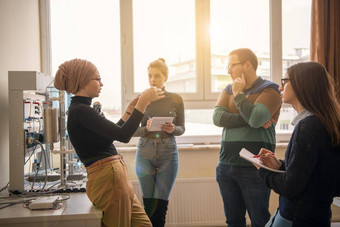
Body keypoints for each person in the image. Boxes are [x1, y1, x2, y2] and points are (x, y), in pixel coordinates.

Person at [54, 58, 165, 227]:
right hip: (108, 178)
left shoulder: (82, 110)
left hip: (114, 176)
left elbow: (111, 135)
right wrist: (142, 104)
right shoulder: (81, 111)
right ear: (83, 81)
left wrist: (130, 110)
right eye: (97, 79)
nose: (101, 83)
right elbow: (124, 135)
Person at [255, 62, 340, 227]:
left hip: (297, 217)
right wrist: (280, 165)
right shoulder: (326, 122)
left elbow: (291, 186)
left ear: (302, 85)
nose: (280, 87)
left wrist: (263, 170)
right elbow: (314, 173)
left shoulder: (308, 127)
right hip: (317, 215)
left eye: (285, 81)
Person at [212, 48, 282, 227]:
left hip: (255, 167)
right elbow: (217, 118)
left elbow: (257, 118)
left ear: (248, 65)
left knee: (259, 220)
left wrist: (239, 95)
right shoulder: (227, 89)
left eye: (231, 65)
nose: (228, 71)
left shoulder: (270, 89)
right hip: (226, 165)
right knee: (233, 221)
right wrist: (250, 119)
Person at [133, 58, 185, 227]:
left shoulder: (176, 98)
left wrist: (173, 129)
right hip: (145, 151)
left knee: (160, 206)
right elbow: (132, 131)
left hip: (168, 152)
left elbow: (182, 128)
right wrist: (146, 129)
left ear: (166, 77)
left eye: (156, 76)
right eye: (149, 76)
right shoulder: (141, 99)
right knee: (148, 205)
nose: (152, 80)